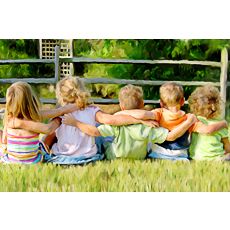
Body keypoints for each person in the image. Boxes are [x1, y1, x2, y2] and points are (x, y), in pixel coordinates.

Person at [10, 77, 155, 165]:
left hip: (62, 156)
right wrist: (139, 120)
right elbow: (113, 120)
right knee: (100, 135)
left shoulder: (59, 113)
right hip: (88, 156)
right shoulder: (92, 110)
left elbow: (49, 133)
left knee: (52, 136)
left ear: (61, 95)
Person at [62, 84, 197, 160]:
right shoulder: (149, 125)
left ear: (122, 106)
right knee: (150, 140)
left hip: (116, 156)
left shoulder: (118, 122)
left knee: (102, 140)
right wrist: (190, 120)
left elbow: (96, 132)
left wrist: (76, 123)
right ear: (143, 104)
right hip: (140, 156)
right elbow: (169, 136)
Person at [114, 82, 227, 161]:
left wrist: (131, 115)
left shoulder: (158, 113)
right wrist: (224, 123)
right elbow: (207, 130)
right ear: (183, 101)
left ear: (161, 103)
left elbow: (142, 114)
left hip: (157, 153)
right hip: (180, 156)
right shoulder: (189, 118)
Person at [0, 82, 61, 164]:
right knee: (41, 145)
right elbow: (50, 128)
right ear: (30, 100)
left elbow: (4, 140)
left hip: (11, 161)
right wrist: (58, 120)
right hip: (33, 161)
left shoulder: (9, 119)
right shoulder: (34, 118)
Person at [188, 84, 230, 161]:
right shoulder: (220, 125)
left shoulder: (194, 120)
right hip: (215, 158)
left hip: (198, 158)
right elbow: (227, 147)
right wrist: (224, 123)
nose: (213, 108)